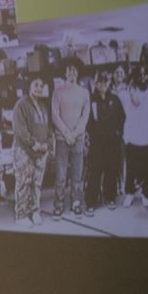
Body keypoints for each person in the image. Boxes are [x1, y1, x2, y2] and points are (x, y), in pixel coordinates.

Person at [9, 74, 53, 227]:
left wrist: (47, 144)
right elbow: (20, 129)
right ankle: (21, 215)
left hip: (41, 152)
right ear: (29, 87)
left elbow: (48, 129)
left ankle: (35, 211)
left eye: (41, 85)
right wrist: (33, 143)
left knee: (37, 184)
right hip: (24, 151)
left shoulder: (43, 106)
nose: (39, 88)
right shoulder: (21, 105)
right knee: (23, 183)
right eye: (36, 85)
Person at [50, 60, 90, 218]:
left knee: (77, 174)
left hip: (78, 139)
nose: (72, 72)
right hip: (62, 140)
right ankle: (58, 205)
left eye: (74, 70)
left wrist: (75, 134)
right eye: (69, 70)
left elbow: (85, 117)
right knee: (60, 175)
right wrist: (66, 133)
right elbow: (55, 115)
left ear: (78, 72)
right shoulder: (57, 92)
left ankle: (76, 203)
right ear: (65, 72)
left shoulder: (84, 92)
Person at [84, 69, 125, 215]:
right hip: (96, 143)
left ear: (108, 83)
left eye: (105, 82)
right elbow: (87, 121)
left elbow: (122, 118)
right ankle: (91, 201)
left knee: (111, 170)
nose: (102, 85)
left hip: (112, 142)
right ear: (95, 83)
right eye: (99, 82)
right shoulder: (90, 100)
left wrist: (118, 132)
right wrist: (91, 134)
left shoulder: (115, 99)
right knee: (94, 172)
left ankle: (110, 197)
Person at [123, 66, 148, 208]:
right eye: (139, 75)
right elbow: (126, 116)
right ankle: (130, 193)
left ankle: (146, 194)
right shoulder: (129, 93)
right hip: (132, 139)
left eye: (145, 75)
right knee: (131, 169)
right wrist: (126, 137)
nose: (143, 78)